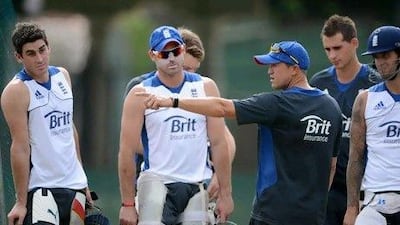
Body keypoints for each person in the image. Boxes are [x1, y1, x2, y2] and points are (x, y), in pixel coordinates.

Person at [140, 40, 343, 225]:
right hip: (313, 216)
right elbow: (331, 166)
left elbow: (222, 108)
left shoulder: (278, 104)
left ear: (294, 69)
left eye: (275, 65)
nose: (269, 71)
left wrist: (173, 101)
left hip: (273, 214)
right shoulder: (331, 107)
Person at [118, 25, 234, 225]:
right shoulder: (139, 93)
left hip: (196, 184)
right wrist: (127, 204)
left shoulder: (206, 87)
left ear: (183, 50)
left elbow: (220, 141)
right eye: (164, 53)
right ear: (153, 56)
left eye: (176, 51)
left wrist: (225, 193)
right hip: (157, 182)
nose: (171, 58)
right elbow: (126, 151)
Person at [1, 22, 92, 225]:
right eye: (31, 53)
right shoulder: (17, 91)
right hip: (43, 188)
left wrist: (83, 180)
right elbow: (20, 147)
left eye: (42, 50)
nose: (40, 58)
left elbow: (70, 130)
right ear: (19, 57)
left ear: (48, 47)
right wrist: (21, 202)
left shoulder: (63, 76)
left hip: (74, 185)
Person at [309, 14, 379, 225]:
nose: (332, 55)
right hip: (328, 186)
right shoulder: (319, 82)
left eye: (337, 48)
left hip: (365, 186)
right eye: (327, 49)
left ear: (354, 43)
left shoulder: (374, 83)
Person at [343, 25, 400, 225]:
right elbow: (356, 156)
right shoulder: (365, 100)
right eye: (376, 57)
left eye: (385, 55)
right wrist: (351, 208)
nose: (380, 63)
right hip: (376, 200)